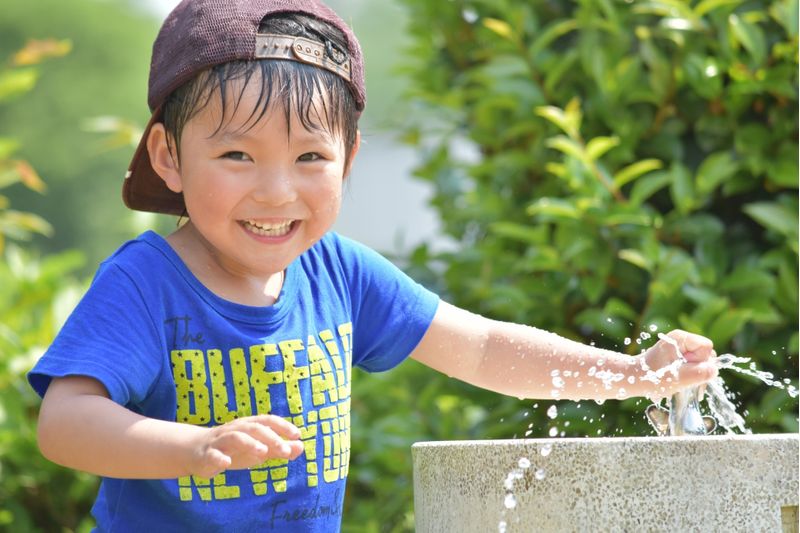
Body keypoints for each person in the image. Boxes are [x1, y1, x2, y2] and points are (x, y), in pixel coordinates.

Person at [27, 0, 719, 531]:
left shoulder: (340, 273)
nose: (276, 192)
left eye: (309, 158)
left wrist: (630, 374)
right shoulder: (146, 282)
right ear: (169, 156)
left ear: (349, 158)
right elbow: (65, 422)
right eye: (237, 156)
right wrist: (192, 445)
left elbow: (480, 348)